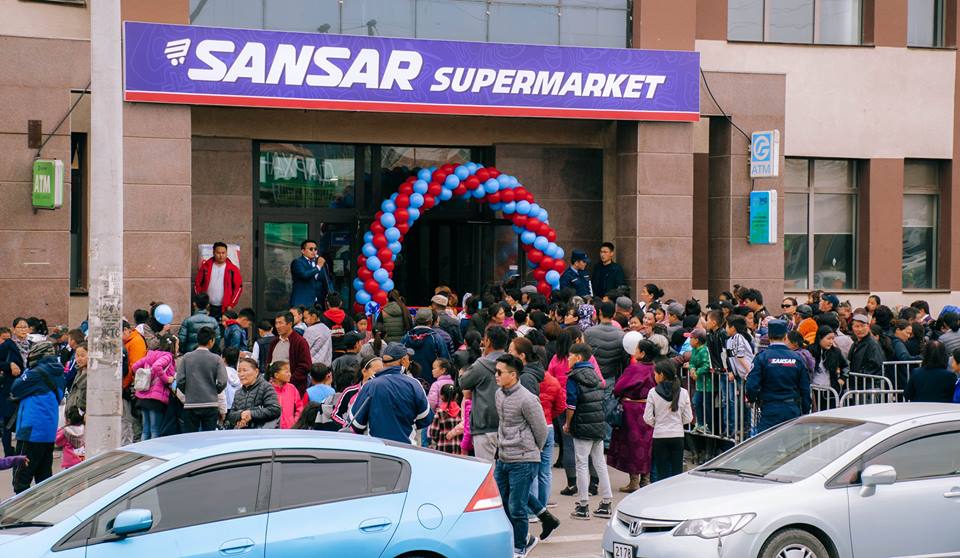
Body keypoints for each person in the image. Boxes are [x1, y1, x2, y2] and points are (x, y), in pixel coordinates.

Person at [493, 353, 558, 557]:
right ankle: (543, 519)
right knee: (503, 500)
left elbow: (541, 430)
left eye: (499, 372)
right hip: (503, 456)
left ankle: (520, 546)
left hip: (524, 458)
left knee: (516, 506)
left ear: (513, 375)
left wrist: (531, 450)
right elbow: (503, 423)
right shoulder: (499, 394)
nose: (496, 375)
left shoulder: (528, 399)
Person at [564, 343, 613, 521]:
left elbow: (571, 404)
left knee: (582, 464)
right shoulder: (595, 375)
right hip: (597, 425)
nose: (568, 359)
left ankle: (583, 505)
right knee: (599, 463)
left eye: (570, 356)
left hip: (582, 425)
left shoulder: (574, 377)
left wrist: (568, 423)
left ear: (578, 357)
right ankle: (606, 502)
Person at [350, 343, 434, 443]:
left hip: (376, 448)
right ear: (403, 360)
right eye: (408, 358)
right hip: (406, 447)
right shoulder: (414, 384)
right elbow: (425, 418)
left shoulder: (370, 385)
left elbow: (356, 424)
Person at [10, 342, 64, 493]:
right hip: (48, 432)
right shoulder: (59, 373)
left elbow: (16, 388)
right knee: (44, 478)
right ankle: (47, 506)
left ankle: (21, 508)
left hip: (31, 431)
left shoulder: (35, 373)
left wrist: (27, 371)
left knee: (21, 479)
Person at [607, 339, 657, 492]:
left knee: (633, 444)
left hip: (632, 410)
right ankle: (645, 479)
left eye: (637, 349)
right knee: (647, 444)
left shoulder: (634, 368)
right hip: (649, 407)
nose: (634, 351)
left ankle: (634, 481)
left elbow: (618, 388)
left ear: (642, 352)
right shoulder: (655, 368)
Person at [746, 320, 811, 434]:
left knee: (768, 441)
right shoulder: (797, 358)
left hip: (770, 408)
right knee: (792, 443)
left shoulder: (762, 357)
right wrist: (805, 409)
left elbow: (751, 385)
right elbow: (805, 387)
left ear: (769, 336)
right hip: (792, 408)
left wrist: (752, 399)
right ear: (785, 336)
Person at [459, 325, 510, 462]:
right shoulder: (512, 363)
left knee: (486, 468)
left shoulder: (481, 364)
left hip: (484, 424)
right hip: (509, 424)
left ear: (487, 341)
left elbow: (463, 382)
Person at [175, 327, 228, 433]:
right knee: (208, 436)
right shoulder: (216, 358)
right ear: (211, 341)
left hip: (191, 404)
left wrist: (188, 391)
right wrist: (214, 391)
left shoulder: (186, 357)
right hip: (210, 403)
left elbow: (180, 380)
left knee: (191, 436)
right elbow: (222, 381)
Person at [132, 334, 178, 440]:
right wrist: (166, 379)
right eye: (177, 344)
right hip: (156, 399)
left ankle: (144, 450)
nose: (178, 347)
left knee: (145, 429)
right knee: (155, 430)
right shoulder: (168, 356)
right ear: (172, 345)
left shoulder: (151, 354)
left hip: (143, 396)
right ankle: (153, 450)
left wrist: (146, 376)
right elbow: (157, 366)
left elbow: (135, 366)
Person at [226, 357, 281, 429]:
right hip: (243, 432)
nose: (241, 374)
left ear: (256, 372)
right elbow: (231, 415)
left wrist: (251, 414)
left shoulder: (266, 387)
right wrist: (241, 415)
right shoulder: (238, 392)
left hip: (262, 432)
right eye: (239, 371)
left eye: (245, 370)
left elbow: (275, 410)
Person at [722, 315, 753, 438]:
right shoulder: (730, 340)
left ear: (733, 327)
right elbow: (730, 358)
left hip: (746, 374)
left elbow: (740, 357)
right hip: (740, 376)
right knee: (741, 403)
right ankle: (741, 428)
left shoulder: (738, 337)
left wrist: (749, 372)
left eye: (727, 326)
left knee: (747, 403)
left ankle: (748, 428)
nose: (725, 328)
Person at [194, 241, 243, 320]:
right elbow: (197, 284)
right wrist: (201, 301)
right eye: (218, 253)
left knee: (223, 327)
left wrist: (231, 304)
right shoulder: (205, 267)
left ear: (226, 253)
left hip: (225, 308)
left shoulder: (233, 269)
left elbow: (238, 288)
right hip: (207, 307)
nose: (221, 255)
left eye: (223, 253)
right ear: (213, 253)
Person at [267, 311, 313, 395]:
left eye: (280, 323)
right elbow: (269, 363)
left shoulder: (300, 342)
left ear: (290, 324)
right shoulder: (274, 342)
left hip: (293, 388)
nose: (277, 326)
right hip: (274, 388)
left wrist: (289, 381)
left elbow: (305, 366)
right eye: (276, 323)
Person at [402, 308, 451, 387]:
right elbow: (446, 361)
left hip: (409, 383)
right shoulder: (436, 338)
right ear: (431, 321)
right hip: (432, 383)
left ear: (415, 320)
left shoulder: (406, 338)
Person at [0, 319, 27, 456]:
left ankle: (23, 451)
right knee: (8, 422)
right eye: (20, 327)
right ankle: (9, 452)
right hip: (11, 388)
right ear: (14, 329)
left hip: (28, 388)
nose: (23, 329)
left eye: (25, 327)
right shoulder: (8, 345)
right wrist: (9, 365)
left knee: (25, 420)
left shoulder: (32, 345)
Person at [121, 321, 147, 445]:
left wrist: (124, 385)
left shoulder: (135, 341)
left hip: (133, 385)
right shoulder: (128, 341)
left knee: (133, 418)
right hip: (130, 384)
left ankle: (135, 442)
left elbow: (133, 367)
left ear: (126, 330)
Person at [290, 238, 333, 307]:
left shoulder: (318, 262)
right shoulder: (297, 262)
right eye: (311, 249)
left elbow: (327, 280)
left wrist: (332, 295)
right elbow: (304, 275)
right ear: (303, 251)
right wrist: (318, 267)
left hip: (318, 303)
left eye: (315, 249)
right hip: (302, 303)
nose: (313, 251)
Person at [687, 329, 714, 435]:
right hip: (699, 384)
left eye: (691, 338)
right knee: (696, 401)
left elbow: (707, 365)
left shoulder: (704, 350)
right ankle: (700, 424)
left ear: (697, 340)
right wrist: (692, 369)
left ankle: (709, 426)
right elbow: (692, 362)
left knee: (707, 405)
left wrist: (697, 373)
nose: (689, 340)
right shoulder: (694, 349)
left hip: (708, 384)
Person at [809, 326, 848, 394]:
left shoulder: (836, 352)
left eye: (833, 339)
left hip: (831, 391)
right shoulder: (809, 350)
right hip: (813, 390)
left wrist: (842, 378)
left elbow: (846, 366)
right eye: (828, 338)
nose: (831, 342)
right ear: (820, 338)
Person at [428, 383, 463, 454]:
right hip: (459, 450)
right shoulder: (461, 411)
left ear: (441, 396)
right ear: (456, 396)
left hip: (443, 449)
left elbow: (433, 433)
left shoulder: (440, 413)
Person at [268, 361, 303, 429]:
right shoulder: (268, 389)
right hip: (272, 429)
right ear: (276, 375)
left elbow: (300, 407)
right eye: (286, 372)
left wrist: (295, 422)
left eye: (289, 372)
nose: (289, 374)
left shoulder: (292, 388)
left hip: (290, 429)